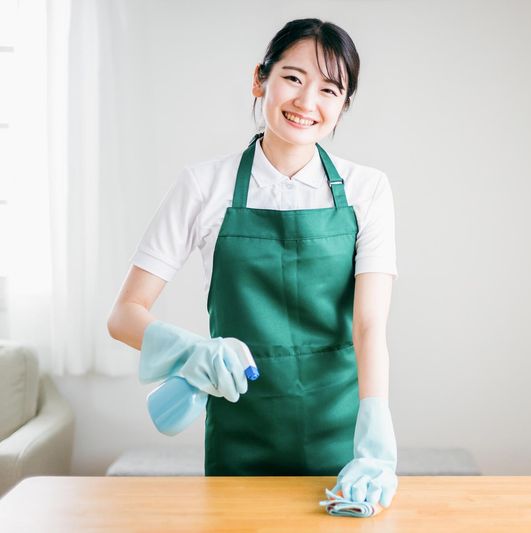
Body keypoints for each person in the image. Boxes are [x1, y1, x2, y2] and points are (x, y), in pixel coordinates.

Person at [106, 18, 398, 509]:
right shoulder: (203, 186)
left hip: (341, 441)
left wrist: (374, 441)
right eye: (293, 78)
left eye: (329, 89)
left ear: (342, 107)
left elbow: (368, 326)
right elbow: (124, 314)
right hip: (240, 437)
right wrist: (193, 352)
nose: (306, 103)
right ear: (260, 79)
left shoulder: (368, 190)